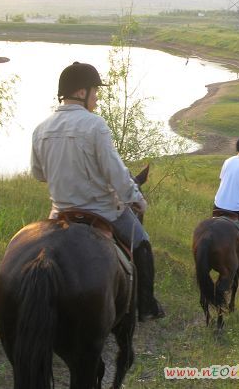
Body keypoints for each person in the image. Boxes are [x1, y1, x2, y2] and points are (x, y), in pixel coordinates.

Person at [31, 61, 165, 322]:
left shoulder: (41, 128)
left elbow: (38, 174)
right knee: (143, 244)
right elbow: (116, 173)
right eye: (95, 91)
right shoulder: (95, 125)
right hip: (102, 212)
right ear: (81, 92)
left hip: (59, 213)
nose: (97, 97)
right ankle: (146, 306)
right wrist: (136, 199)